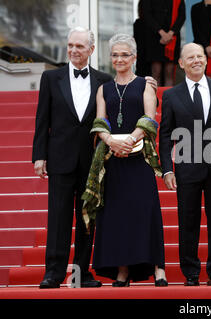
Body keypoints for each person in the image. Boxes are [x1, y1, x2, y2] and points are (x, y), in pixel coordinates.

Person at [32, 27, 113, 289]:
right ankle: (53, 274)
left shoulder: (103, 79)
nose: (74, 50)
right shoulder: (50, 78)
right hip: (59, 158)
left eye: (80, 46)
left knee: (87, 218)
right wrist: (39, 156)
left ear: (91, 49)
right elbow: (42, 120)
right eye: (70, 46)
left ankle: (81, 274)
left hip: (91, 160)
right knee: (58, 218)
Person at [86, 33, 167, 287]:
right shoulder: (104, 89)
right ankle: (122, 270)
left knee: (145, 212)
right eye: (115, 55)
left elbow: (149, 119)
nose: (119, 59)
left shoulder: (145, 84)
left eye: (124, 54)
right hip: (113, 160)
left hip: (139, 159)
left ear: (134, 57)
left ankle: (158, 268)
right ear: (110, 58)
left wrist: (129, 140)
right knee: (118, 216)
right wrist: (111, 141)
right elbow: (100, 122)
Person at [159, 43, 211, 286]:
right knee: (187, 222)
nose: (196, 60)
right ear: (181, 63)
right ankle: (190, 272)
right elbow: (166, 134)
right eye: (190, 57)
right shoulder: (171, 95)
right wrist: (167, 168)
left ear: (206, 60)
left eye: (199, 56)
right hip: (187, 167)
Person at [139, 0, 186, 86]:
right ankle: (155, 99)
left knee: (169, 72)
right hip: (154, 36)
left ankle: (168, 99)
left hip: (172, 37)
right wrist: (161, 33)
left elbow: (182, 16)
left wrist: (170, 33)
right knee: (156, 71)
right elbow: (146, 14)